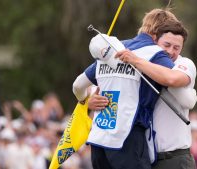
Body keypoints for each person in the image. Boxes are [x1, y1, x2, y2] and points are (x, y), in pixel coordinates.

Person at [72, 8, 190, 169]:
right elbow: (175, 80)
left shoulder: (110, 50)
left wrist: (86, 100)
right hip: (128, 138)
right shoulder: (155, 53)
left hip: (98, 141)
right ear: (159, 33)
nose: (170, 50)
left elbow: (78, 85)